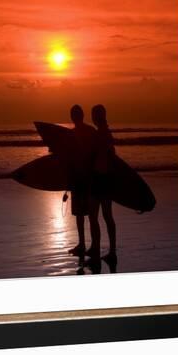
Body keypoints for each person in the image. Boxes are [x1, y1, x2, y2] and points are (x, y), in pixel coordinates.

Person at [67, 104, 99, 257]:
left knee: (83, 215)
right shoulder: (90, 131)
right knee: (87, 215)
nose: (75, 117)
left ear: (74, 117)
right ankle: (88, 245)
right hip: (87, 177)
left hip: (83, 178)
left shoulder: (72, 134)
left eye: (75, 114)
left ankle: (86, 245)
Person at [87, 104, 117, 261]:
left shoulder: (103, 134)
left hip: (102, 179)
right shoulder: (104, 133)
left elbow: (106, 157)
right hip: (103, 178)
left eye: (94, 114)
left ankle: (107, 251)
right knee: (101, 216)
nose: (92, 118)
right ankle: (99, 248)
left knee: (100, 216)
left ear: (97, 116)